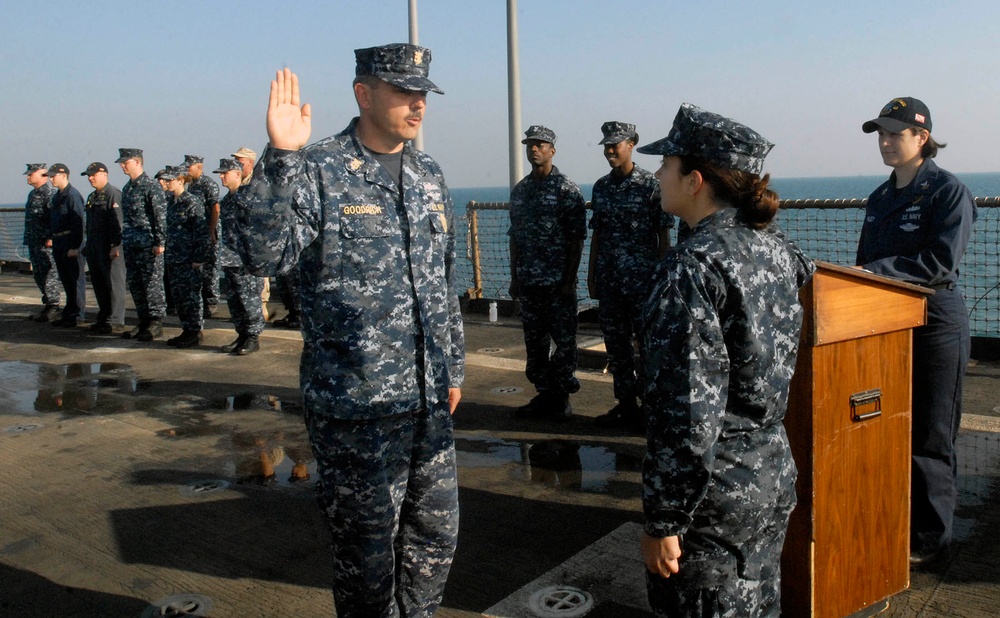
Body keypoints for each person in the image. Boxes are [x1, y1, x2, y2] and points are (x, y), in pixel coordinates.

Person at [235, 44, 464, 617]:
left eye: (423, 94)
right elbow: (263, 255)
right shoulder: (318, 167)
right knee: (366, 560)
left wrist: (452, 367)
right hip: (356, 406)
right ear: (364, 94)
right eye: (404, 93)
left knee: (434, 542)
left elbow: (443, 277)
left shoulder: (429, 173)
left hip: (428, 401)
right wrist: (281, 157)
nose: (418, 105)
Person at [636, 104, 814, 617]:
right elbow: (801, 266)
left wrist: (664, 519)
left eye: (665, 165)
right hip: (769, 473)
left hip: (712, 498)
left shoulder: (690, 269)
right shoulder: (774, 247)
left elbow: (686, 415)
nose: (657, 174)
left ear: (694, 181)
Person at [856, 97, 977, 567]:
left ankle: (931, 543)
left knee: (931, 434)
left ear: (921, 138)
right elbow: (866, 263)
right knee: (890, 429)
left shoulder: (949, 192)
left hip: (934, 323)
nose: (885, 142)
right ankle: (897, 521)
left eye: (894, 133)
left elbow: (939, 262)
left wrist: (871, 271)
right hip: (887, 318)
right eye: (880, 134)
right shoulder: (880, 198)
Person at [587, 121, 672, 431]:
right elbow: (597, 235)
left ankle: (651, 411)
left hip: (643, 283)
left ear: (631, 144)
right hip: (611, 282)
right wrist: (591, 274)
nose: (610, 150)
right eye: (607, 145)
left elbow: (663, 234)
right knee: (617, 348)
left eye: (616, 144)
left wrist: (663, 278)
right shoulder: (601, 187)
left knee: (648, 349)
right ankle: (625, 406)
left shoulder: (650, 185)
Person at [508, 125, 587, 421]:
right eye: (530, 144)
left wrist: (568, 280)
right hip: (529, 282)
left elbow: (576, 239)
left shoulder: (566, 189)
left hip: (557, 284)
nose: (534, 149)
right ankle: (544, 393)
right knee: (535, 343)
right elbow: (515, 236)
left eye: (540, 145)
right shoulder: (521, 191)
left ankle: (561, 396)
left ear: (552, 150)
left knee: (565, 342)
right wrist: (515, 278)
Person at [116, 148, 167, 341]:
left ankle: (155, 322)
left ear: (137, 162)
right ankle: (143, 320)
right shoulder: (128, 188)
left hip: (148, 245)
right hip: (131, 244)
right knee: (136, 285)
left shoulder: (151, 186)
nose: (122, 166)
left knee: (152, 284)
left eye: (125, 162)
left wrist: (159, 242)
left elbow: (159, 216)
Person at [215, 157, 264, 355]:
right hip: (229, 258)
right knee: (234, 301)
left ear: (237, 174)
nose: (221, 177)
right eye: (220, 174)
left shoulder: (248, 197)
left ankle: (253, 337)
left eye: (224, 173)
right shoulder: (227, 200)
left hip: (245, 260)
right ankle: (242, 334)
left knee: (249, 300)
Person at [161, 166, 210, 348]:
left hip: (189, 259)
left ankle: (195, 331)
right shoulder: (170, 201)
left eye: (170, 180)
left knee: (191, 296)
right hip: (174, 257)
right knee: (179, 296)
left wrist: (198, 258)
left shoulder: (191, 202)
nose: (166, 183)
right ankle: (186, 329)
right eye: (166, 180)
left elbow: (201, 233)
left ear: (181, 180)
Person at [81, 162, 126, 334]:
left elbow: (118, 222)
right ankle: (104, 316)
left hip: (110, 247)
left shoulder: (113, 194)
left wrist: (116, 245)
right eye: (88, 176)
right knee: (99, 284)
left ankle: (116, 320)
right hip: (94, 247)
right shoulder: (92, 197)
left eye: (93, 175)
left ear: (104, 174)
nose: (90, 178)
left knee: (114, 284)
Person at [46, 164, 87, 327]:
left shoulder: (72, 195)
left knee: (75, 280)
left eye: (53, 176)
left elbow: (78, 223)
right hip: (59, 242)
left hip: (70, 241)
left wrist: (75, 246)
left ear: (63, 176)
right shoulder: (57, 197)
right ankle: (69, 313)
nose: (50, 179)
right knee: (66, 279)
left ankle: (77, 315)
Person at [182, 155, 222, 319]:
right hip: (196, 232)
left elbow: (215, 208)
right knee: (198, 267)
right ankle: (200, 300)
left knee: (211, 268)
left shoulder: (208, 184)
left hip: (208, 231)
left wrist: (211, 230)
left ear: (198, 167)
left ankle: (211, 302)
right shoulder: (191, 186)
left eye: (189, 167)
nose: (187, 170)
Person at [22, 163, 60, 322]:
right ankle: (47, 304)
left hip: (46, 243)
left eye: (31, 174)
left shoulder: (49, 193)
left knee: (49, 274)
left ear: (42, 175)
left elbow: (55, 217)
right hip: (34, 241)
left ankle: (54, 305)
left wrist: (51, 237)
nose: (28, 176)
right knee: (38, 273)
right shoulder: (32, 194)